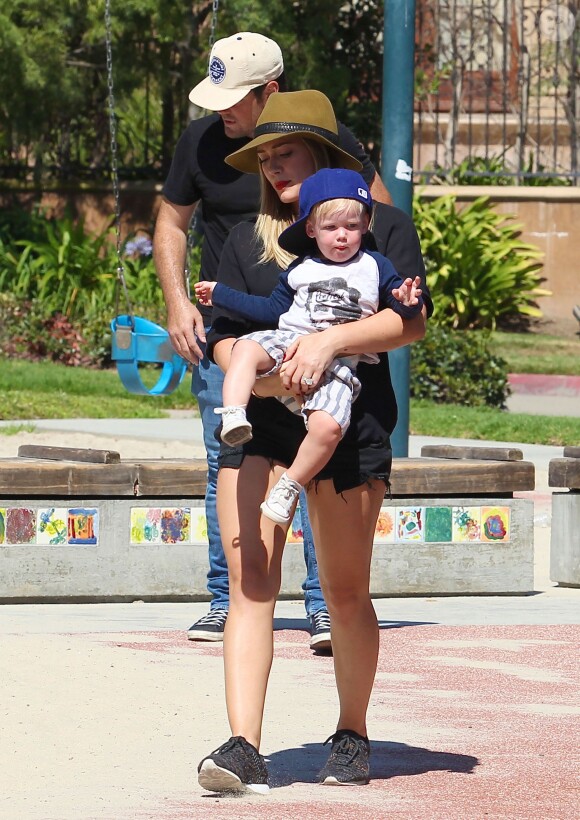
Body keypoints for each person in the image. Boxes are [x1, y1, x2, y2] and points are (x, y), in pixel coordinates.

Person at [196, 89, 433, 793]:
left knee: (345, 590)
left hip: (348, 428)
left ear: (324, 154)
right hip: (260, 426)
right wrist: (270, 383)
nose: (272, 167)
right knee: (252, 582)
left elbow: (410, 321)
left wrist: (329, 342)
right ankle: (243, 746)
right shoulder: (246, 239)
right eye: (264, 157)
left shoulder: (382, 228)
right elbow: (223, 340)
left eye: (286, 153)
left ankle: (351, 731)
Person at [153, 31, 392, 648]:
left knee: (319, 456)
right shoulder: (201, 142)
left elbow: (379, 216)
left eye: (234, 99)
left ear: (270, 91)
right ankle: (226, 597)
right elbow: (171, 222)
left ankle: (322, 603)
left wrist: (368, 283)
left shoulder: (323, 139)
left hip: (317, 325)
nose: (221, 113)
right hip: (238, 323)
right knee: (226, 458)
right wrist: (179, 302)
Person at [194, 168, 423, 524]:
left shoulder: (375, 266)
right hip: (289, 343)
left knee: (329, 427)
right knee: (244, 349)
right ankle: (235, 413)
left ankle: (290, 484)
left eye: (351, 226)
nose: (342, 236)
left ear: (365, 225)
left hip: (340, 366)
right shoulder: (301, 268)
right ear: (312, 229)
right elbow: (270, 309)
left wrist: (406, 301)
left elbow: (398, 306)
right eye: (331, 228)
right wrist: (221, 293)